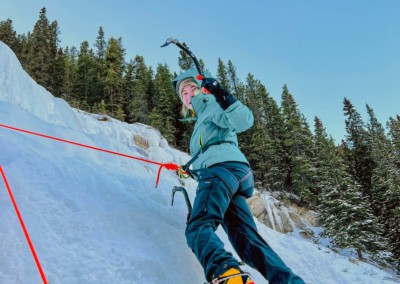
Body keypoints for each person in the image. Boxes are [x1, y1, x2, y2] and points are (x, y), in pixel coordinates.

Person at [172, 66, 305, 284]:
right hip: (232, 174)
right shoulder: (203, 116)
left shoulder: (211, 104)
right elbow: (212, 148)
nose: (187, 94)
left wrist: (220, 92)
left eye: (190, 88)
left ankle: (227, 274)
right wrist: (192, 169)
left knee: (198, 226)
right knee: (247, 241)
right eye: (183, 93)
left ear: (201, 89)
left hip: (222, 171)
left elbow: (243, 121)